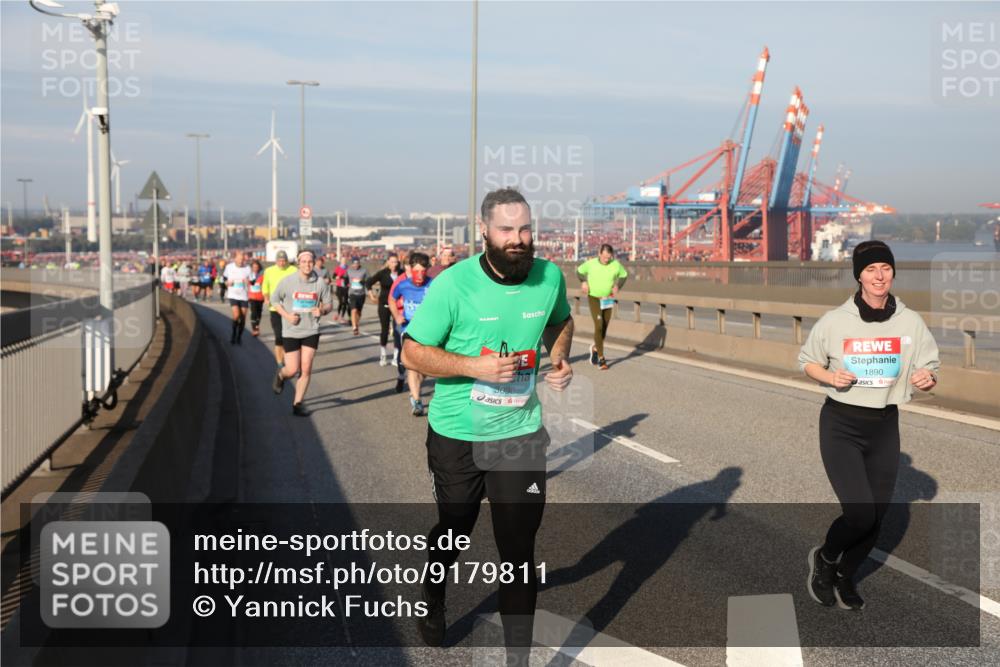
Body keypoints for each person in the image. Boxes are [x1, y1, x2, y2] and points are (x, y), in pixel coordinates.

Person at [402, 188, 574, 662]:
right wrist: (473, 367)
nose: (518, 239)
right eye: (506, 230)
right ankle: (433, 592)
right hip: (457, 433)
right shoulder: (455, 285)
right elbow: (412, 352)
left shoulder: (548, 276)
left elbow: (561, 321)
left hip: (519, 433)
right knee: (455, 528)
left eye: (524, 229)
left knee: (518, 552)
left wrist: (558, 359)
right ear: (484, 231)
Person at [799, 240, 940, 611]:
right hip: (841, 423)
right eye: (871, 269)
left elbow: (930, 367)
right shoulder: (835, 321)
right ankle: (826, 559)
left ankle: (846, 573)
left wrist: (927, 378)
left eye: (886, 269)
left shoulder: (909, 320)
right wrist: (830, 378)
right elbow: (808, 361)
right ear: (858, 276)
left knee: (876, 516)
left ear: (893, 273)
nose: (879, 276)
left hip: (884, 424)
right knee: (859, 512)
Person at [270, 250, 333, 416]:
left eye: (310, 261)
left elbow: (328, 304)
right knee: (292, 369)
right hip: (291, 330)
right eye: (303, 261)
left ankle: (297, 404)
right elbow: (274, 300)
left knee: (306, 368)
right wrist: (287, 316)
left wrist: (322, 310)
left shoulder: (320, 283)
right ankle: (281, 375)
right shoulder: (288, 281)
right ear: (298, 263)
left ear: (314, 262)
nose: (307, 264)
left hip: (311, 330)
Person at [388, 252, 433, 414]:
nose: (420, 275)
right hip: (409, 329)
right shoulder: (403, 285)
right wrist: (397, 315)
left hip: (430, 331)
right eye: (416, 271)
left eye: (423, 271)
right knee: (413, 366)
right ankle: (417, 401)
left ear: (427, 270)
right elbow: (392, 299)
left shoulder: (434, 285)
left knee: (425, 368)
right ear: (410, 270)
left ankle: (415, 390)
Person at [577, 243, 628, 370]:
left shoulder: (615, 265)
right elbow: (579, 271)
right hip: (594, 297)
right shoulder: (591, 263)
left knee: (604, 327)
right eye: (604, 257)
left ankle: (595, 348)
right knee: (598, 325)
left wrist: (618, 286)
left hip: (608, 299)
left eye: (609, 257)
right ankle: (601, 359)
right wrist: (583, 282)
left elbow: (624, 275)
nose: (606, 260)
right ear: (599, 254)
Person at [262, 250, 298, 368]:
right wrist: (266, 298)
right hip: (275, 308)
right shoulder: (269, 271)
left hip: (290, 308)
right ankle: (279, 362)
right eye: (279, 261)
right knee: (279, 336)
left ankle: (289, 359)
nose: (282, 263)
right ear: (276, 261)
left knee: (290, 336)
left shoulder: (294, 270)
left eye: (284, 261)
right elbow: (265, 286)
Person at [366, 253, 404, 366]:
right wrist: (371, 295)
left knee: (397, 331)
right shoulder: (382, 273)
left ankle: (396, 357)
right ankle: (383, 355)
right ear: (388, 262)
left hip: (397, 306)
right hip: (384, 304)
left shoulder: (402, 273)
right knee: (385, 330)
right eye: (392, 262)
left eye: (396, 262)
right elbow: (368, 282)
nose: (394, 264)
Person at [223, 251, 253, 345]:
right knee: (236, 315)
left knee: (243, 317)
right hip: (233, 294)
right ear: (235, 258)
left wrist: (248, 281)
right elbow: (224, 278)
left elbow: (253, 281)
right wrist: (226, 283)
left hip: (244, 295)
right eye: (239, 259)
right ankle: (233, 334)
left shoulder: (247, 268)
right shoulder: (229, 267)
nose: (241, 261)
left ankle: (239, 336)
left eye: (242, 259)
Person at [347, 256, 369, 336]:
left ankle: (356, 323)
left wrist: (362, 281)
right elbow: (346, 279)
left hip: (361, 294)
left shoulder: (364, 271)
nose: (355, 265)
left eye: (357, 263)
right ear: (352, 264)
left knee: (359, 312)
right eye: (354, 264)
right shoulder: (349, 271)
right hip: (352, 294)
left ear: (359, 263)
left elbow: (369, 280)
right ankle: (354, 328)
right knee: (354, 310)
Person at [247, 258, 266, 337]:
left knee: (259, 313)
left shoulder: (262, 276)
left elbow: (265, 286)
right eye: (254, 267)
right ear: (251, 267)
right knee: (254, 312)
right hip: (252, 297)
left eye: (256, 267)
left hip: (260, 297)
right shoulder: (248, 275)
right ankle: (254, 329)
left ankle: (257, 325)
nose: (255, 269)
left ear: (259, 267)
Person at [332, 256, 349, 322]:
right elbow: (333, 276)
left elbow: (350, 277)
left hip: (346, 287)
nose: (344, 261)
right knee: (341, 302)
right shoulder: (338, 268)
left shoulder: (348, 268)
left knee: (345, 302)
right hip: (339, 287)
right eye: (343, 260)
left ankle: (342, 317)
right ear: (341, 261)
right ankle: (338, 314)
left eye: (345, 260)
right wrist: (337, 277)